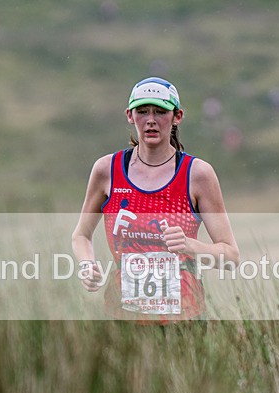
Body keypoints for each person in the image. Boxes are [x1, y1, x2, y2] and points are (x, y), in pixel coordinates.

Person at [71, 77, 239, 322]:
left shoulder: (198, 174)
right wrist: (87, 265)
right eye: (142, 111)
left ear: (177, 116)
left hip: (183, 319)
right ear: (130, 115)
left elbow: (231, 256)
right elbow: (81, 235)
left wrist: (190, 246)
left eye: (160, 112)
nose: (151, 120)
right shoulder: (107, 170)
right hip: (122, 316)